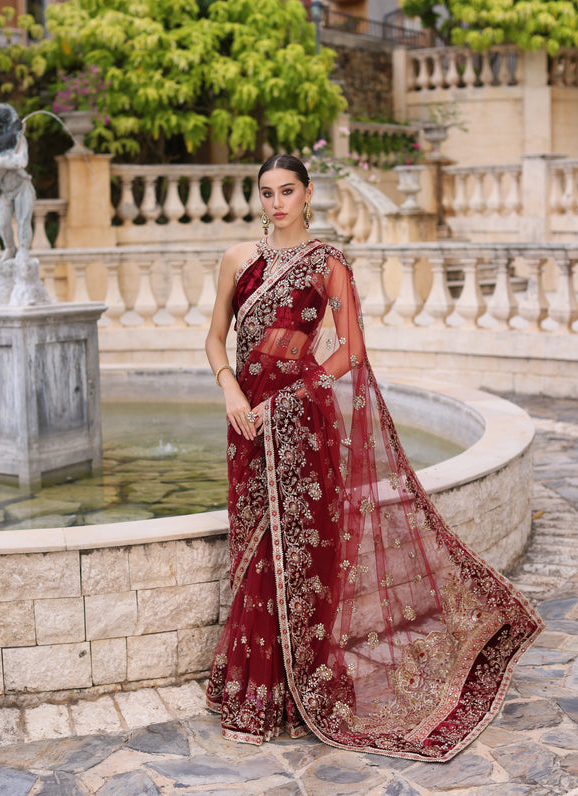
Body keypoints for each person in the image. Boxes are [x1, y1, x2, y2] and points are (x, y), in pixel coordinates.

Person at [205, 153, 543, 761]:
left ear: (308, 194)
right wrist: (231, 387)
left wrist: (287, 399)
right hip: (245, 424)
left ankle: (298, 689)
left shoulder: (329, 265)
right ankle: (254, 692)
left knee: (308, 549)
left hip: (301, 422)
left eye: (287, 191)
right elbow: (212, 337)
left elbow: (351, 352)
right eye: (266, 192)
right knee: (252, 544)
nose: (276, 202)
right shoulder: (238, 260)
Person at [0, 103, 36, 261]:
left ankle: (23, 250)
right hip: (6, 191)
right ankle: (10, 248)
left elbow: (22, 161)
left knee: (23, 221)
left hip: (21, 186)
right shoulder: (3, 145)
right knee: (3, 223)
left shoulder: (19, 140)